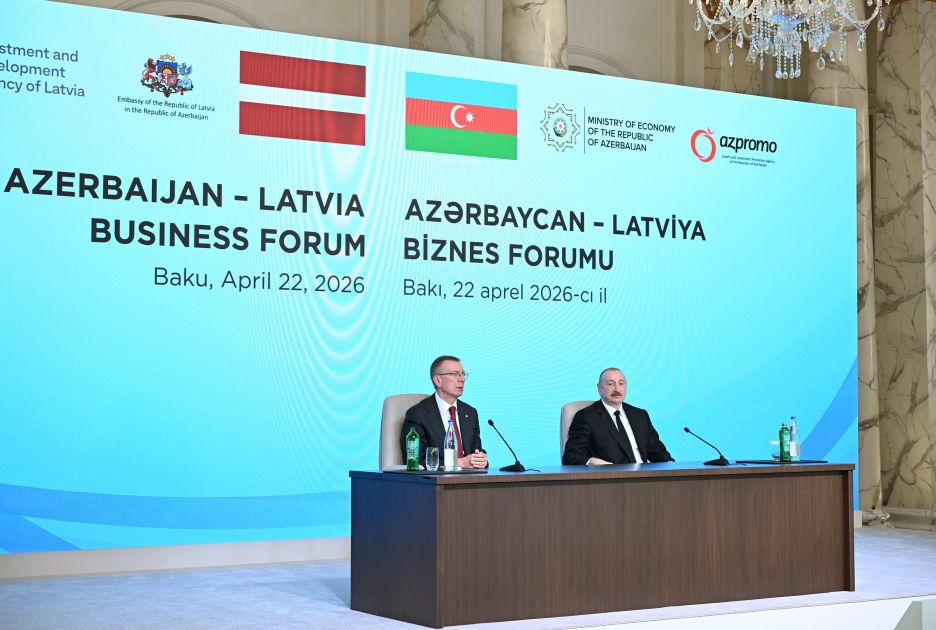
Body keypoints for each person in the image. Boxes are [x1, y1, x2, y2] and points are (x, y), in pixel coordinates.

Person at [562, 367, 673, 465]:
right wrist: (591, 461)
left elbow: (658, 452)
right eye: (610, 384)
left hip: (644, 477)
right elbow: (571, 456)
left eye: (621, 383)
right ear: (599, 388)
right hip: (612, 478)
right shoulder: (586, 416)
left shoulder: (640, 415)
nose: (617, 389)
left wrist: (671, 466)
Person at [400, 355, 488, 469]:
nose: (461, 379)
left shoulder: (470, 413)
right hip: (437, 479)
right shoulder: (417, 415)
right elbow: (417, 462)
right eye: (455, 374)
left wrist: (481, 460)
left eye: (463, 374)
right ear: (438, 380)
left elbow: (476, 451)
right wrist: (459, 463)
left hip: (469, 478)